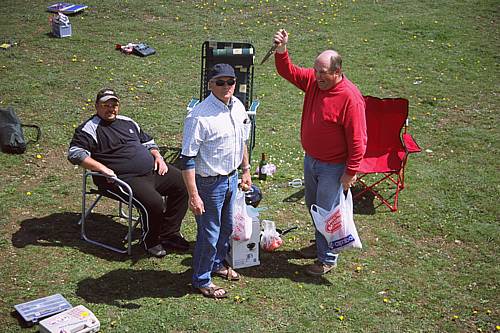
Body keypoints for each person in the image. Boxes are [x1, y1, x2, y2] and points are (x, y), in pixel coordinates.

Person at [273, 29, 367, 276]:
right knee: (314, 205)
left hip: (333, 166)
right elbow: (288, 71)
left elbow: (358, 140)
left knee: (327, 212)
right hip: (312, 160)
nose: (316, 76)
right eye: (315, 71)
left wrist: (350, 172)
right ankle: (320, 245)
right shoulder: (315, 83)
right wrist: (282, 50)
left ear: (337, 72)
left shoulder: (350, 98)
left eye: (322, 73)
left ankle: (327, 259)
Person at [68, 88, 189, 257]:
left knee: (183, 183)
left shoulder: (127, 122)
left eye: (114, 105)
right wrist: (103, 169)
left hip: (151, 170)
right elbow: (75, 154)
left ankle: (169, 233)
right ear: (96, 106)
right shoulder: (89, 128)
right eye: (106, 105)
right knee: (154, 203)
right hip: (120, 179)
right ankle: (151, 241)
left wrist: (158, 156)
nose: (111, 108)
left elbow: (148, 141)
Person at [180, 63, 252, 298]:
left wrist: (246, 170)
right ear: (210, 84)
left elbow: (241, 141)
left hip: (231, 179)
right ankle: (202, 279)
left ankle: (217, 264)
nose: (226, 87)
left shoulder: (238, 107)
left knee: (227, 228)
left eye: (230, 82)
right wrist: (194, 195)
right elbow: (187, 159)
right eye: (219, 82)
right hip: (208, 184)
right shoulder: (199, 116)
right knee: (209, 234)